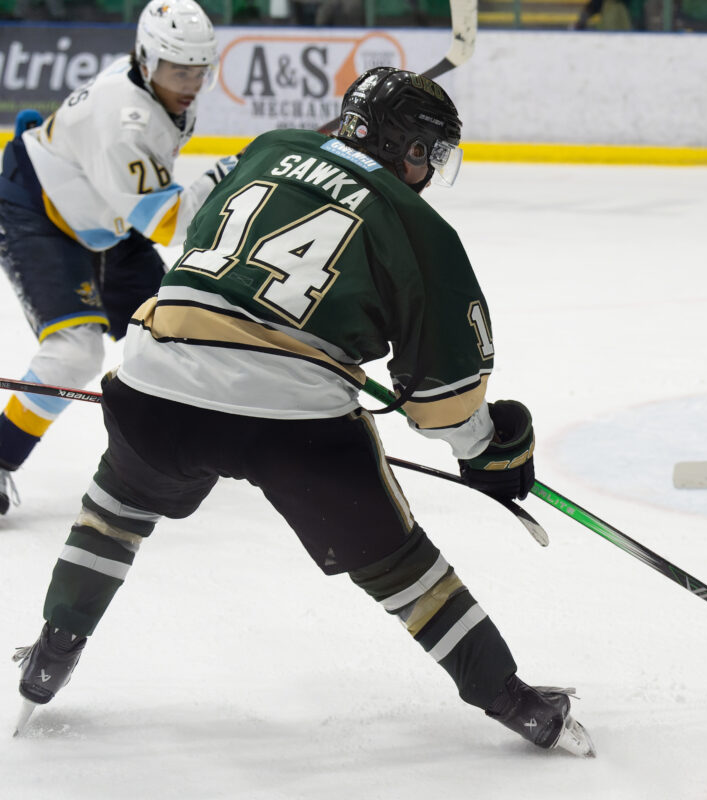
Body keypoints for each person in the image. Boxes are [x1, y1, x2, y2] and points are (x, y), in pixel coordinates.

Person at [10, 66, 597, 757]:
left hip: (156, 380)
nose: (430, 171)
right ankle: (513, 700)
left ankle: (53, 651)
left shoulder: (269, 149)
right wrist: (489, 452)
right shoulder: (419, 226)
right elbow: (442, 400)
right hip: (292, 423)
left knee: (115, 512)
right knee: (402, 568)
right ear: (407, 148)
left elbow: (196, 239)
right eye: (429, 154)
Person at [0, 0, 238, 516]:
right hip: (40, 214)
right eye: (178, 70)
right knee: (73, 354)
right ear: (147, 61)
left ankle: (180, 440)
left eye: (199, 70)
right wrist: (229, 174)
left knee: (179, 326)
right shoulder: (125, 121)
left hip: (104, 216)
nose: (190, 83)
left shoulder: (153, 86)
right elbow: (169, 224)